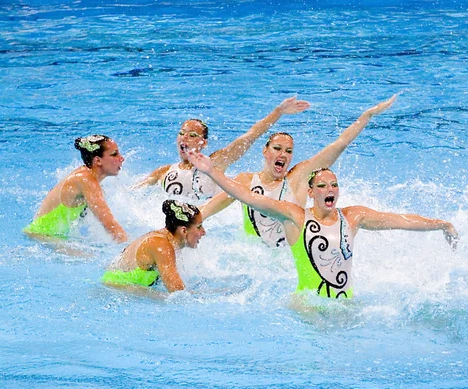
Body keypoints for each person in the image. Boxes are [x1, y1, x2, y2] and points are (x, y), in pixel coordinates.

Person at [189, 151, 459, 299]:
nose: (330, 190)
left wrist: (441, 224)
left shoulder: (353, 217)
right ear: (311, 192)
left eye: (334, 185)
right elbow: (247, 196)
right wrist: (213, 171)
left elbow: (400, 220)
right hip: (308, 306)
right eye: (322, 186)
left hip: (345, 303)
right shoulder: (296, 217)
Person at [200, 94, 398, 247]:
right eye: (277, 149)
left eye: (288, 151)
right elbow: (207, 209)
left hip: (289, 259)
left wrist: (367, 115)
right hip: (253, 258)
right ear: (265, 151)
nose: (283, 155)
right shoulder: (245, 182)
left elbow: (340, 144)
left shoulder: (299, 179)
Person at [132, 96, 310, 200]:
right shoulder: (162, 172)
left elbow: (250, 136)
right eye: (182, 133)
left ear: (203, 143)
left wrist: (278, 112)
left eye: (193, 135)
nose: (185, 138)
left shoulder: (214, 164)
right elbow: (130, 196)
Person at [23, 135, 128, 243]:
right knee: (89, 257)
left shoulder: (88, 178)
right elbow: (112, 227)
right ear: (97, 160)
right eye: (115, 154)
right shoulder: (85, 180)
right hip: (42, 235)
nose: (122, 158)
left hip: (49, 235)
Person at [102, 200, 205, 292]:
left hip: (121, 288)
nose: (203, 232)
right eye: (199, 227)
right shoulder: (162, 246)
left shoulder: (168, 237)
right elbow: (178, 293)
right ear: (184, 230)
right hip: (115, 289)